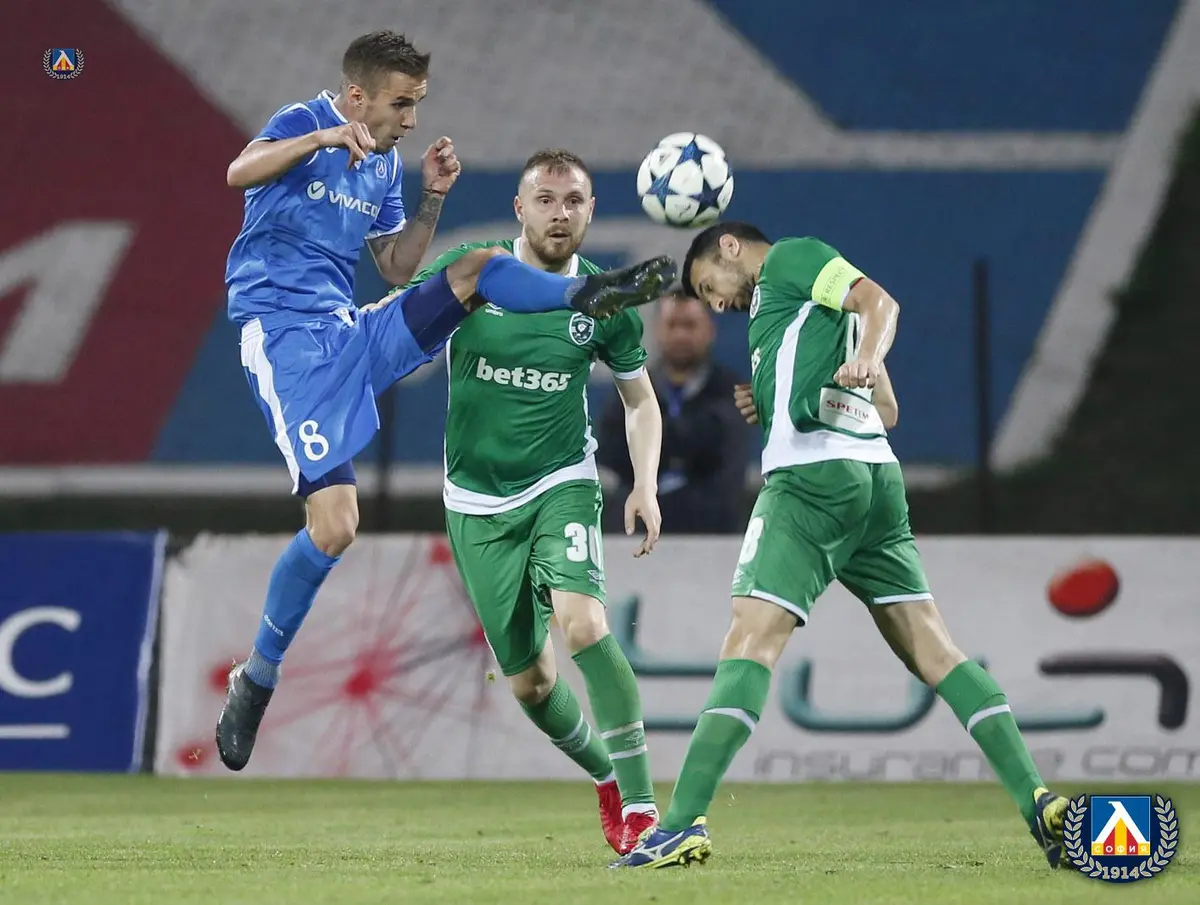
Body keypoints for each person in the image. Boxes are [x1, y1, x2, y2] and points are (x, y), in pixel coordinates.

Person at [214, 31, 674, 772]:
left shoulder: (384, 164)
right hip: (285, 339)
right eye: (402, 103)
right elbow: (240, 170)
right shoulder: (306, 121)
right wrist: (323, 139)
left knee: (477, 268)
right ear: (357, 96)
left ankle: (583, 293)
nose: (411, 119)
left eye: (417, 103)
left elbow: (397, 267)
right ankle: (258, 678)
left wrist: (430, 197)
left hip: (349, 331)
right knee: (335, 525)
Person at [614, 223, 1067, 870]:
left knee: (748, 640)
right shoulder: (795, 316)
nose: (715, 302)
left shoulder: (791, 260)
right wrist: (780, 399)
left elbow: (881, 302)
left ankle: (681, 823)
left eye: (708, 285)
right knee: (935, 650)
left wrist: (870, 355)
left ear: (731, 248)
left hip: (811, 486)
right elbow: (886, 411)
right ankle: (1039, 800)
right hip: (875, 483)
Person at [396, 149, 663, 854]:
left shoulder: (604, 301)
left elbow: (640, 401)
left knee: (583, 625)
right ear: (520, 209)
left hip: (561, 483)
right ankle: (606, 776)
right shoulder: (474, 274)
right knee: (533, 684)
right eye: (545, 199)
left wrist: (643, 481)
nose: (559, 213)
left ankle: (643, 809)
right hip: (476, 501)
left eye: (573, 201)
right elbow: (396, 317)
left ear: (591, 211)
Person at [597, 290, 747, 534]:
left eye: (689, 325)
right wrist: (692, 446)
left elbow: (728, 471)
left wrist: (653, 443)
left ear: (710, 330)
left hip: (710, 537)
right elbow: (612, 455)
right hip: (634, 534)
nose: (680, 335)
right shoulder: (630, 389)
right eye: (672, 325)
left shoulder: (732, 391)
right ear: (657, 330)